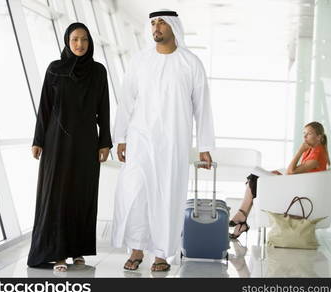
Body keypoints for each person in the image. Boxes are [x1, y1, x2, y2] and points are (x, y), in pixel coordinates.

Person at [111, 10, 215, 272]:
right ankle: (136, 249)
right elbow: (126, 101)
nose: (155, 27)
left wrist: (205, 147)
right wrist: (121, 137)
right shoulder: (140, 61)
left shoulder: (191, 63)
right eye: (153, 23)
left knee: (167, 196)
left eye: (161, 23)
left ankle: (160, 254)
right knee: (135, 192)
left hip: (173, 142)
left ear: (173, 27)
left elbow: (202, 107)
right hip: (140, 138)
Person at [27, 23, 113, 272]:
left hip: (86, 142)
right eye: (75, 39)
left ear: (89, 43)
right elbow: (45, 106)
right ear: (67, 41)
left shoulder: (98, 72)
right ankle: (57, 254)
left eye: (84, 39)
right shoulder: (55, 69)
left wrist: (104, 141)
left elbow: (104, 108)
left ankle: (77, 250)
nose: (80, 44)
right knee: (56, 195)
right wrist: (38, 140)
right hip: (56, 142)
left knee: (81, 194)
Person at [229, 121, 330, 239]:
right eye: (304, 133)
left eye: (309, 134)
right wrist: (282, 175)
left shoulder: (316, 155)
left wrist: (300, 151)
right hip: (295, 185)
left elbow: (291, 171)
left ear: (319, 137)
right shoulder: (313, 150)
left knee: (254, 178)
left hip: (296, 192)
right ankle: (242, 219)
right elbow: (294, 172)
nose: (304, 137)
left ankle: (241, 217)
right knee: (254, 178)